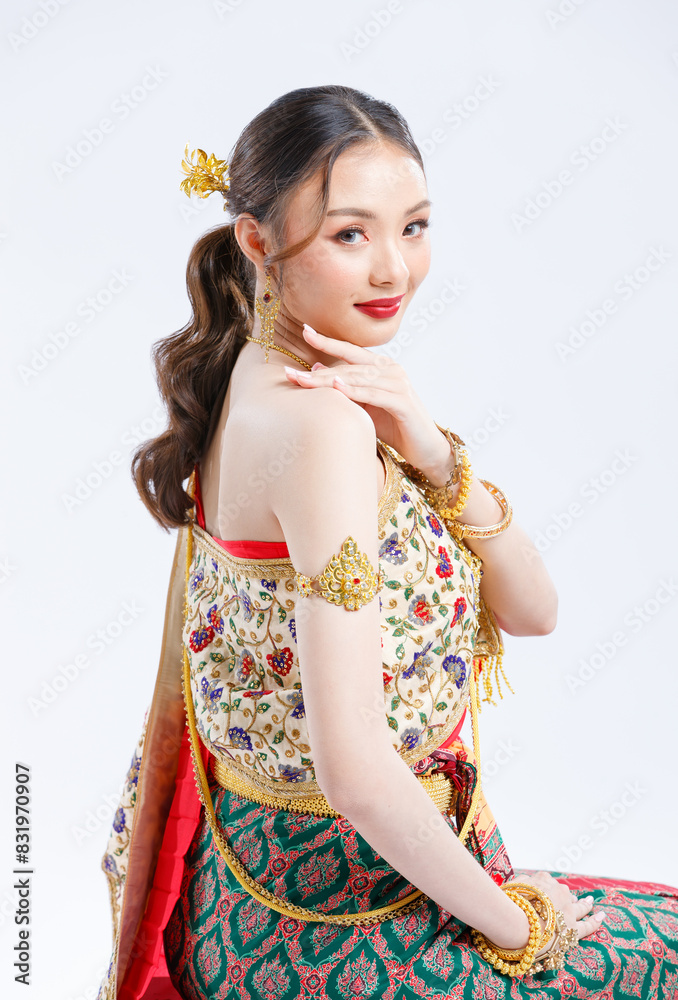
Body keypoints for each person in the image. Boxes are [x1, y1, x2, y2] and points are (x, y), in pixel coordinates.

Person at [96, 85, 678, 1000]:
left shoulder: (259, 369)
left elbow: (535, 611)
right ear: (257, 242)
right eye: (351, 234)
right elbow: (357, 770)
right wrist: (519, 922)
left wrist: (436, 451)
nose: (393, 270)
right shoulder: (319, 430)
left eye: (414, 227)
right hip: (338, 915)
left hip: (270, 890)